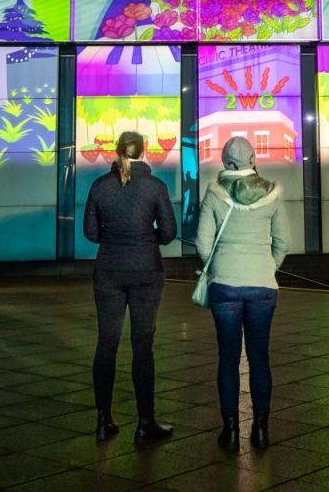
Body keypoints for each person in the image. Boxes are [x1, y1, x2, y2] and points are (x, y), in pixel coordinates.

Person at [83, 131, 177, 443]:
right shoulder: (155, 187)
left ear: (118, 151)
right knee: (142, 346)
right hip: (146, 272)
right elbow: (168, 234)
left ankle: (103, 419)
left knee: (106, 344)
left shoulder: (100, 186)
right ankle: (145, 422)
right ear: (143, 151)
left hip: (108, 271)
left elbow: (91, 234)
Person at [197, 136, 290, 451]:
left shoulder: (213, 194)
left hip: (225, 285)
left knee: (227, 358)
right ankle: (261, 431)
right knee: (260, 357)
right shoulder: (273, 195)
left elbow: (201, 243)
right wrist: (268, 267)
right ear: (252, 160)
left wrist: (218, 266)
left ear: (226, 163)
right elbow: (283, 242)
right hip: (263, 285)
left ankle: (231, 431)